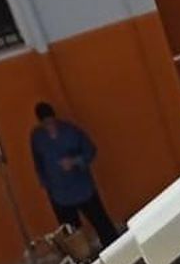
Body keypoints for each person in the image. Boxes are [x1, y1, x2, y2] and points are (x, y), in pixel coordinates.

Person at [29, 102, 119, 246]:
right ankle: (85, 260)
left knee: (102, 224)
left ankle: (114, 249)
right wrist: (46, 184)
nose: (50, 126)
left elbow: (90, 150)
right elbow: (38, 162)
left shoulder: (71, 131)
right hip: (60, 194)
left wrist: (75, 161)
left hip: (82, 188)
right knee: (72, 235)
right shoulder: (38, 138)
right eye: (46, 124)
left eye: (52, 122)